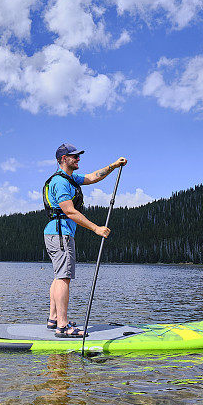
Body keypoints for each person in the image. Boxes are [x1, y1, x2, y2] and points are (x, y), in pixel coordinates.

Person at [43, 143, 127, 338]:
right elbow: (70, 211)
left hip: (57, 233)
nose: (78, 159)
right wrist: (96, 228)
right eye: (74, 156)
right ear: (63, 159)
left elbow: (92, 177)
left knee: (59, 276)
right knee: (64, 277)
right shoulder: (61, 182)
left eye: (79, 156)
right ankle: (63, 327)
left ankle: (53, 319)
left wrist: (113, 166)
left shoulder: (70, 179)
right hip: (60, 233)